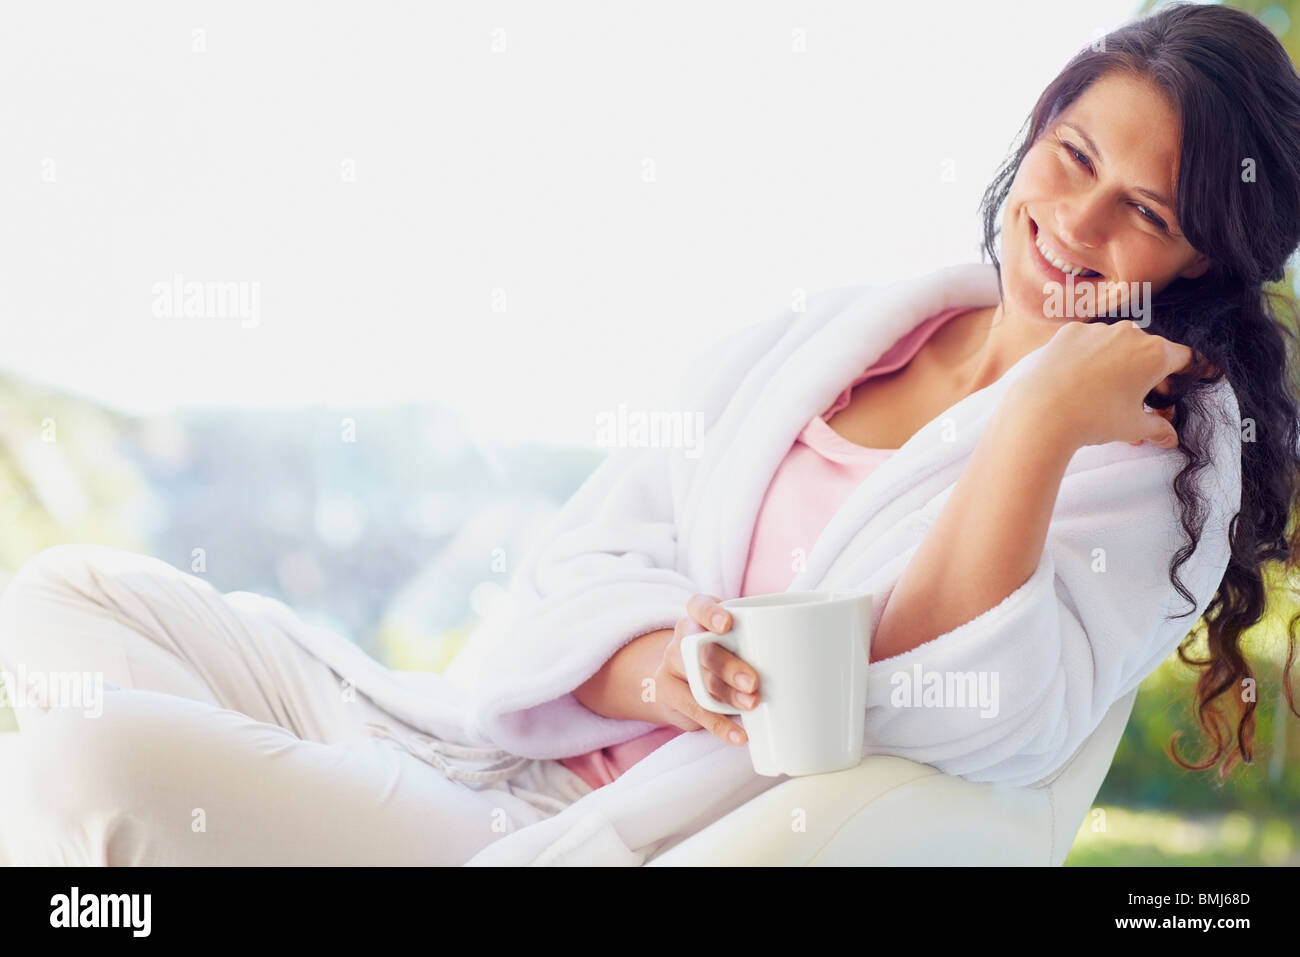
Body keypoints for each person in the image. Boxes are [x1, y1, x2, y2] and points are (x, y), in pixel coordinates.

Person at [1, 2, 1297, 866]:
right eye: (1073, 156)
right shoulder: (849, 334)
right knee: (62, 602)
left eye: (1146, 211)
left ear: (1201, 264)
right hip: (484, 739)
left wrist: (1035, 422)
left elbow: (962, 705)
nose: (1076, 222)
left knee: (86, 762)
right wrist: (658, 661)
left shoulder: (1140, 461)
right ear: (1033, 130)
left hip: (581, 828)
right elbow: (578, 569)